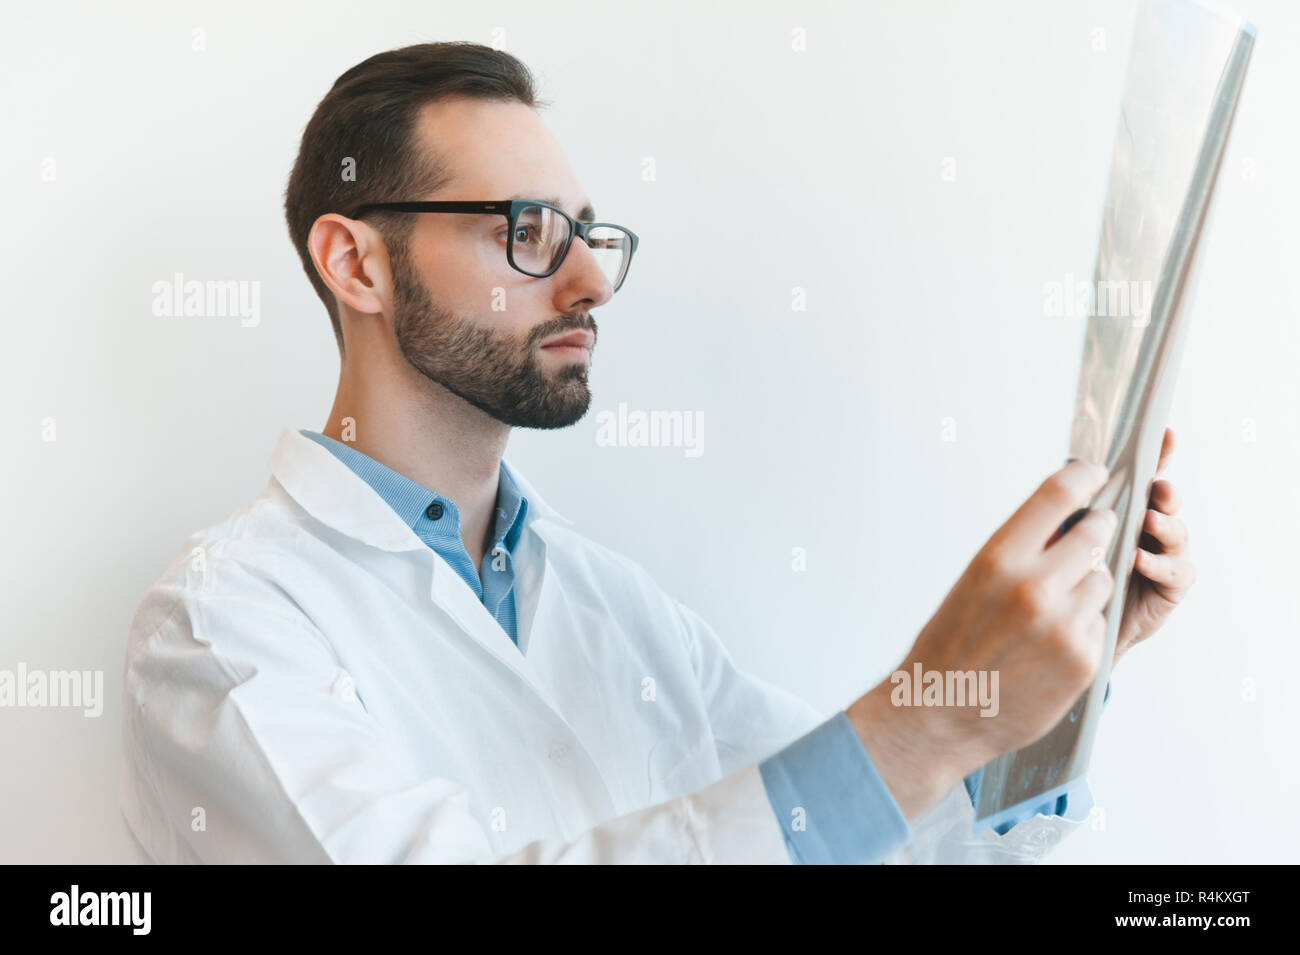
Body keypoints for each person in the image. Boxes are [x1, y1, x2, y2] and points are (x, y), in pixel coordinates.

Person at [119, 41, 1195, 864]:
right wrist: (937, 704)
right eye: (527, 229)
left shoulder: (611, 602)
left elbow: (858, 832)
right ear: (355, 262)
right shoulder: (223, 623)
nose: (588, 280)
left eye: (590, 235)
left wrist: (1060, 669)